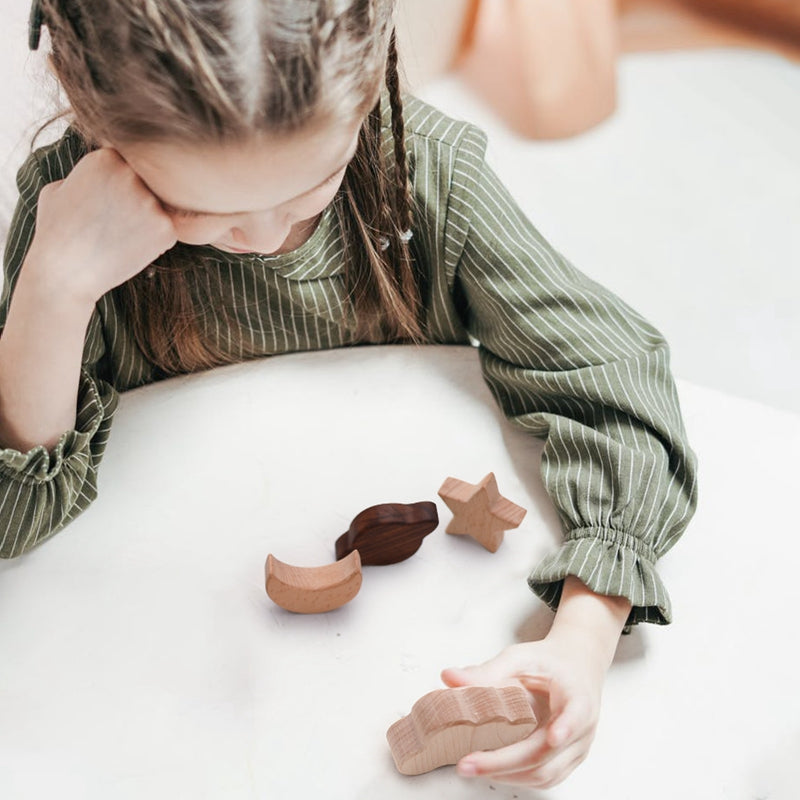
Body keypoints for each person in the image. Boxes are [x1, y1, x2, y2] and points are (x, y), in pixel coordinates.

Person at [0, 0, 698, 789]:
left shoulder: (427, 173)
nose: (264, 237)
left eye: (311, 188)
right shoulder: (70, 217)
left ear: (366, 93)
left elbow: (617, 385)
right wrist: (53, 291)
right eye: (199, 210)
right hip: (170, 674)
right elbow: (11, 524)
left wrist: (583, 631)